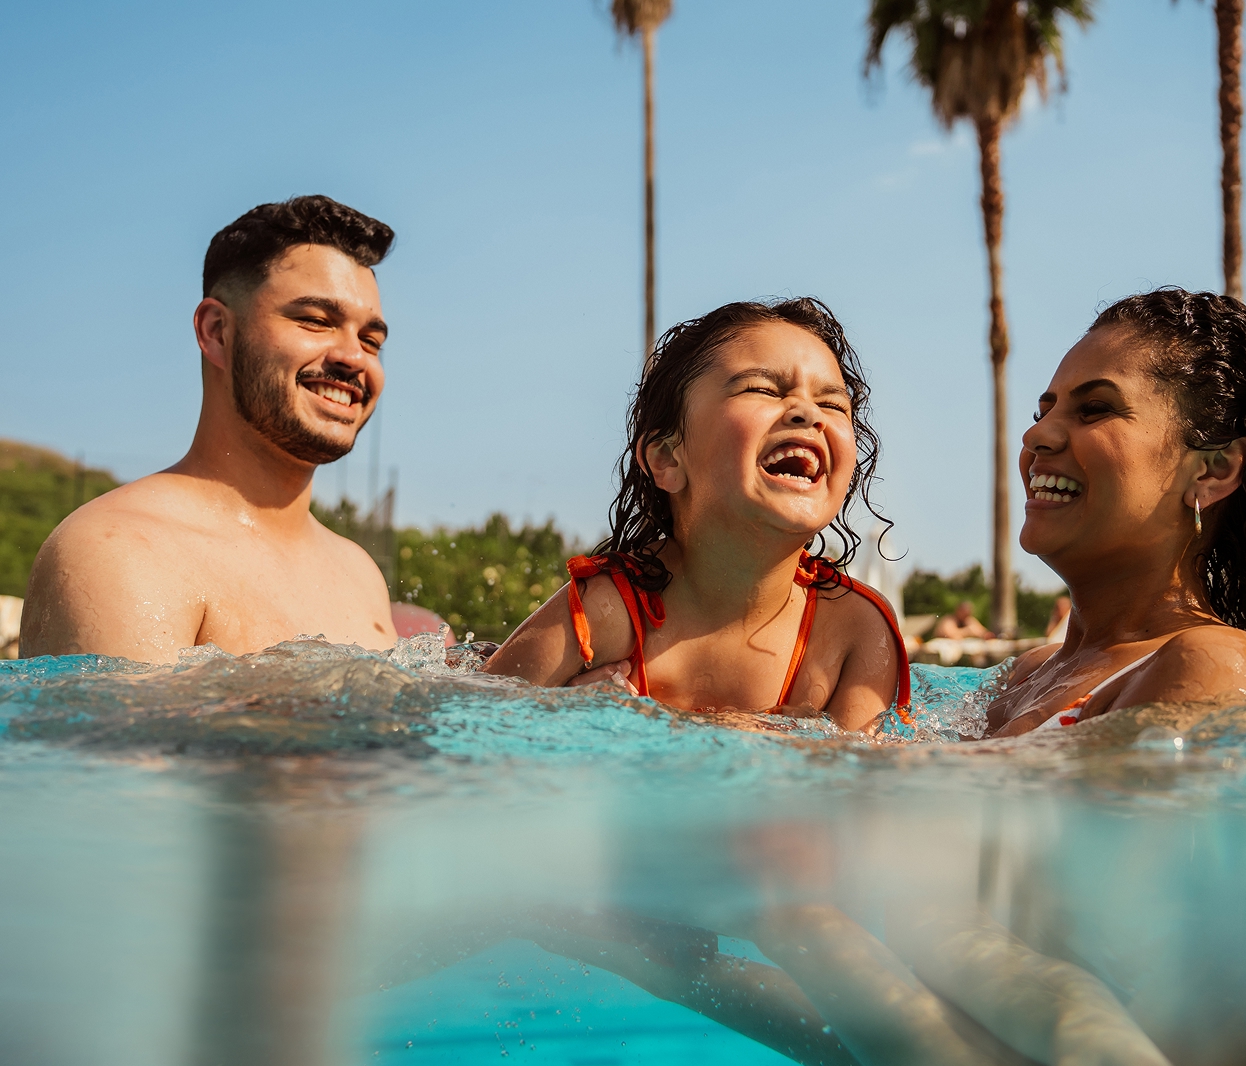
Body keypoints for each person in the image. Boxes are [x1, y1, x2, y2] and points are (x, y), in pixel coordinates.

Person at [484, 299, 910, 732]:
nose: (808, 412)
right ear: (668, 458)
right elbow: (467, 723)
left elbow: (858, 789)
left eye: (834, 404)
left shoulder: (855, 630)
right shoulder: (606, 612)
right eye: (762, 389)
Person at [21, 196, 400, 664]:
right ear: (216, 331)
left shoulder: (358, 574)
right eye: (316, 321)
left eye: (371, 340)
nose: (354, 357)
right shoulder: (121, 551)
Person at [985, 288, 1246, 737]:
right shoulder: (1027, 675)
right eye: (1043, 410)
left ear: (1213, 470)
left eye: (1095, 409)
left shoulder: (1215, 668)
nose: (1036, 434)